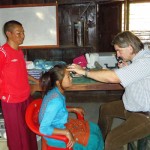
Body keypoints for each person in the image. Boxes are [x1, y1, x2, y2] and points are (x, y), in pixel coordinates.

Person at [67, 31, 150, 150]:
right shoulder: (137, 59)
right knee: (106, 109)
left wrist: (85, 72)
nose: (117, 55)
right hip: (132, 105)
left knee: (112, 141)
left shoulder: (145, 62)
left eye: (119, 50)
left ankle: (109, 145)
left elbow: (113, 77)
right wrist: (127, 69)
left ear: (130, 48)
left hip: (145, 115)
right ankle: (100, 143)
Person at [38, 64, 104, 150]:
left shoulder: (55, 91)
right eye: (68, 77)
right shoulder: (56, 101)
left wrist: (73, 109)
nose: (71, 79)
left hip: (60, 125)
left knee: (95, 127)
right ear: (58, 82)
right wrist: (66, 132)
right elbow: (43, 129)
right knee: (94, 141)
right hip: (55, 136)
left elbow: (58, 110)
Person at [0, 20, 39, 150]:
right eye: (18, 33)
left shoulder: (19, 51)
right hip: (11, 100)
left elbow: (21, 71)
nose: (22, 36)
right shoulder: (3, 53)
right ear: (8, 34)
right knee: (16, 134)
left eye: (23, 32)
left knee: (28, 127)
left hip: (25, 96)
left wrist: (35, 80)